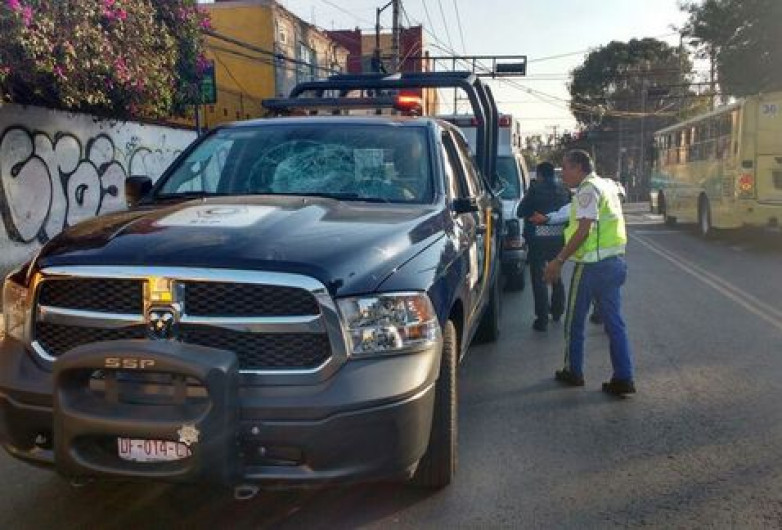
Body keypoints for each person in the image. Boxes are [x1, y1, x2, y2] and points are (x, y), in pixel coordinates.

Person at [543, 150, 636, 396]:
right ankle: (624, 378)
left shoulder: (587, 190)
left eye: (566, 168)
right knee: (615, 323)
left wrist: (559, 260)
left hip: (591, 266)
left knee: (574, 321)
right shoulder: (606, 186)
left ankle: (574, 371)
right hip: (614, 263)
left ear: (579, 167)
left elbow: (584, 229)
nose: (563, 174)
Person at [517, 162, 571, 332]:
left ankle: (542, 319)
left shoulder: (535, 189)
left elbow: (520, 211)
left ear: (539, 174)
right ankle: (557, 311)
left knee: (539, 278)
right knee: (556, 274)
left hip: (537, 238)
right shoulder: (564, 189)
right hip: (558, 238)